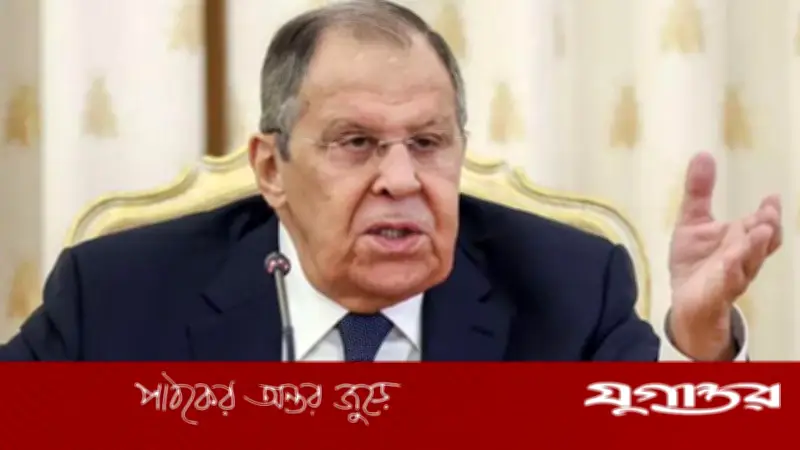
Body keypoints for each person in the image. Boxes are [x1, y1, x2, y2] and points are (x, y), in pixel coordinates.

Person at [0, 0, 782, 361]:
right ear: (271, 168)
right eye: (357, 144)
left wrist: (700, 345)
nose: (401, 180)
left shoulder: (570, 287)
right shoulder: (118, 295)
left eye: (429, 143)